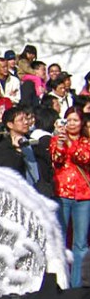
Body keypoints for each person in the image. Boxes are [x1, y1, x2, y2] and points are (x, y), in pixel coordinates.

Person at [50, 107, 90, 287]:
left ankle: (77, 284)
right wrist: (59, 144)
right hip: (63, 193)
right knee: (62, 239)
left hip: (84, 195)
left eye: (76, 120)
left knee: (80, 243)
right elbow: (57, 160)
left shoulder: (86, 142)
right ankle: (62, 282)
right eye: (69, 120)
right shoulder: (56, 139)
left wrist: (69, 145)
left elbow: (83, 158)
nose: (72, 124)